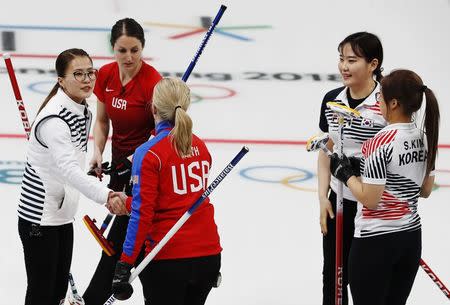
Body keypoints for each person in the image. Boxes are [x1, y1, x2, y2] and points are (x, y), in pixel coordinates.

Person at [17, 48, 124, 305]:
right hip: (39, 218)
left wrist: (94, 157)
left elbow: (70, 160)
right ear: (61, 80)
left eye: (90, 72)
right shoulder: (55, 119)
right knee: (42, 295)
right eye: (78, 74)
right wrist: (106, 195)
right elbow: (68, 169)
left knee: (55, 294)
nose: (87, 79)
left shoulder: (80, 108)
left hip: (62, 214)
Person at [329, 69, 439, 305]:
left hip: (375, 242)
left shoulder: (378, 142)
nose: (377, 101)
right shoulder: (425, 136)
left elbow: (370, 199)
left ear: (394, 103)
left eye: (380, 97)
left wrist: (345, 174)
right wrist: (365, 169)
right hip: (410, 240)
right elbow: (425, 190)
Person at [110, 78, 222, 305]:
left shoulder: (148, 153)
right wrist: (130, 202)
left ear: (153, 108)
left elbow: (144, 213)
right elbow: (176, 198)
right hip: (208, 256)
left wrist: (125, 262)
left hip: (167, 257)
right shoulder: (200, 145)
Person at [83, 18, 162, 304]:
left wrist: (133, 158)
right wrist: (98, 152)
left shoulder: (154, 82)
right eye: (122, 50)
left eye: (135, 50)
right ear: (112, 49)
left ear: (143, 48)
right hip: (118, 166)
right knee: (128, 234)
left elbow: (160, 133)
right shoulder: (105, 75)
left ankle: (99, 293)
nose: (129, 57)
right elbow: (102, 121)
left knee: (128, 235)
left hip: (144, 167)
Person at [317, 32, 387, 305]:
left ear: (373, 64)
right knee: (333, 277)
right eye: (341, 59)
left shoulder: (387, 102)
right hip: (340, 201)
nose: (344, 66)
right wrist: (323, 197)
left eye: (352, 60)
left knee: (366, 278)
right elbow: (327, 151)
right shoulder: (331, 98)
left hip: (374, 206)